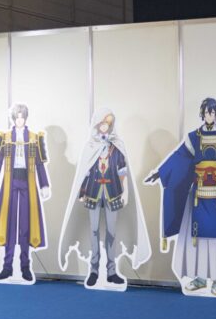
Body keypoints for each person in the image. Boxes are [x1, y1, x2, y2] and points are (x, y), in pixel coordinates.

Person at [145, 98, 216, 297]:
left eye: (212, 112)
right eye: (206, 112)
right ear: (202, 114)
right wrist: (161, 173)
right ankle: (201, 277)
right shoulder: (193, 138)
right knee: (198, 239)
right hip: (198, 196)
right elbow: (179, 159)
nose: (209, 115)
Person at [57, 108, 150, 288]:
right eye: (103, 123)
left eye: (109, 123)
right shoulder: (90, 146)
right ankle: (93, 270)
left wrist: (125, 191)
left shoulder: (117, 145)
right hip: (93, 191)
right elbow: (85, 171)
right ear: (97, 124)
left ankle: (111, 271)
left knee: (111, 232)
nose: (105, 126)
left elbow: (122, 170)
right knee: (93, 230)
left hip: (112, 192)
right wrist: (82, 192)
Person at [0, 103, 50, 283]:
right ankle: (7, 266)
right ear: (13, 119)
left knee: (25, 225)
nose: (20, 120)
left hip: (28, 183)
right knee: (9, 224)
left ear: (26, 118)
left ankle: (25, 266)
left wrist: (44, 185)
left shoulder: (34, 138)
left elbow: (39, 164)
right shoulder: (5, 137)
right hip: (10, 183)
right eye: (17, 117)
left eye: (22, 117)